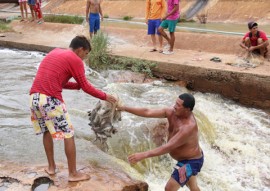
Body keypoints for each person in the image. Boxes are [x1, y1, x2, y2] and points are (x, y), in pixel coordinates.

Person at [29, 35, 117, 182]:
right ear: (80, 49)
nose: (84, 58)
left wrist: (77, 86)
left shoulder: (55, 52)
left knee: (47, 131)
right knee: (68, 134)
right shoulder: (75, 59)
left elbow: (58, 82)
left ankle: (51, 168)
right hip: (50, 99)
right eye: (86, 54)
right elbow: (87, 87)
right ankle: (73, 174)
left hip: (34, 97)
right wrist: (105, 96)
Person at [117, 93, 204, 191]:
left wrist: (143, 155)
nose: (174, 107)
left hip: (191, 162)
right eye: (175, 103)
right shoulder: (172, 112)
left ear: (187, 110)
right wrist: (124, 108)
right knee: (193, 187)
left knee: (169, 188)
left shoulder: (188, 127)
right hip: (186, 158)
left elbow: (168, 147)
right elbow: (147, 112)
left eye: (178, 106)